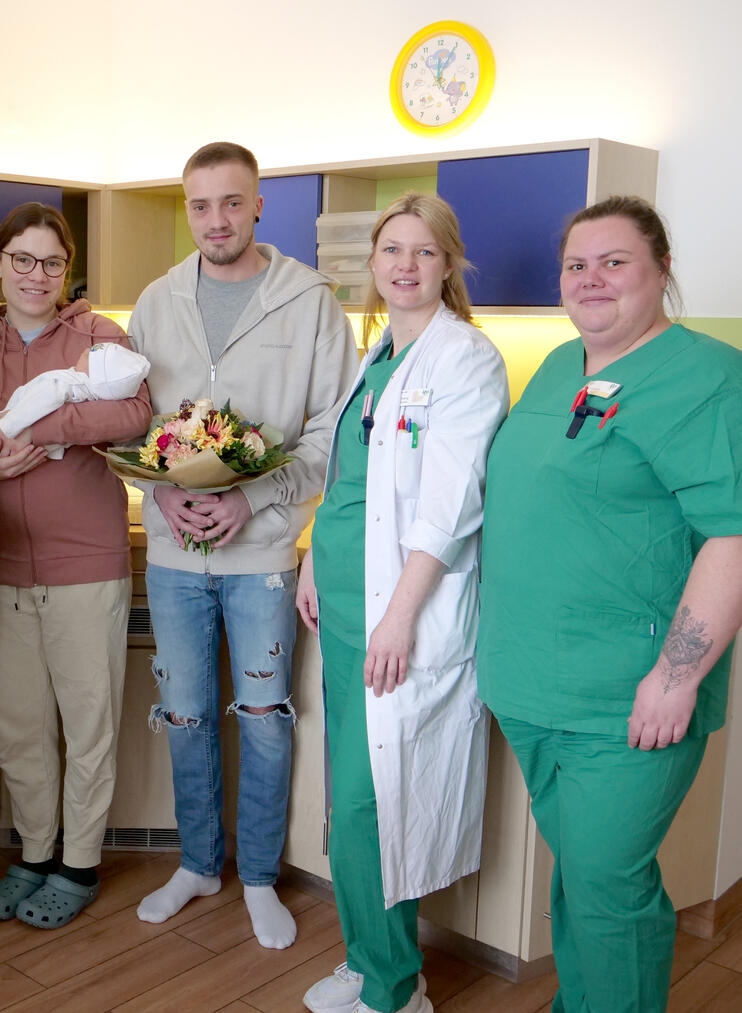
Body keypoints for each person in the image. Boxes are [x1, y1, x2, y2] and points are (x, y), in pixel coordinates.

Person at [477, 196, 742, 1013]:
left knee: (609, 886)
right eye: (576, 265)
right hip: (532, 682)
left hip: (625, 696)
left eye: (614, 261)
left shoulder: (707, 377)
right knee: (584, 878)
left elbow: (732, 535)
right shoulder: (563, 363)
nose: (591, 279)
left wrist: (676, 676)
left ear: (662, 269)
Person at [128, 141, 357, 949]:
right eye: (201, 205)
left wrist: (252, 497)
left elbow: (334, 431)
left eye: (232, 202)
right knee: (186, 713)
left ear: (259, 205)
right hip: (173, 553)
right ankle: (199, 863)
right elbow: (134, 419)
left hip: (262, 555)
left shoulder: (311, 301)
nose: (216, 220)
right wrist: (158, 490)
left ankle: (258, 875)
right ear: (186, 209)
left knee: (263, 716)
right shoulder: (156, 300)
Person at [295, 194, 508, 1013]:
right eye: (392, 250)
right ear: (374, 263)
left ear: (448, 263)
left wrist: (398, 615)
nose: (405, 265)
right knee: (350, 802)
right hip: (344, 605)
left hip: (398, 616)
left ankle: (393, 986)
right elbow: (351, 481)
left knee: (370, 801)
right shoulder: (378, 353)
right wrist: (314, 559)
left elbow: (448, 507)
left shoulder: (465, 359)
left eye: (423, 251)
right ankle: (366, 958)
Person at [0, 202, 151, 929]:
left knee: (89, 721)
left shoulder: (100, 337)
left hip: (86, 562)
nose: (37, 275)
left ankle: (79, 863)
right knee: (17, 724)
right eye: (23, 260)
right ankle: (34, 852)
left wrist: (36, 420)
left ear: (68, 272)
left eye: (53, 263)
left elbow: (134, 414)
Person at [0, 340, 150, 473]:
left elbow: (38, 403)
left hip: (7, 428)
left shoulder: (68, 383)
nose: (86, 349)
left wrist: (6, 427)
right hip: (23, 445)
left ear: (95, 373)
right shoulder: (89, 396)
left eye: (89, 355)